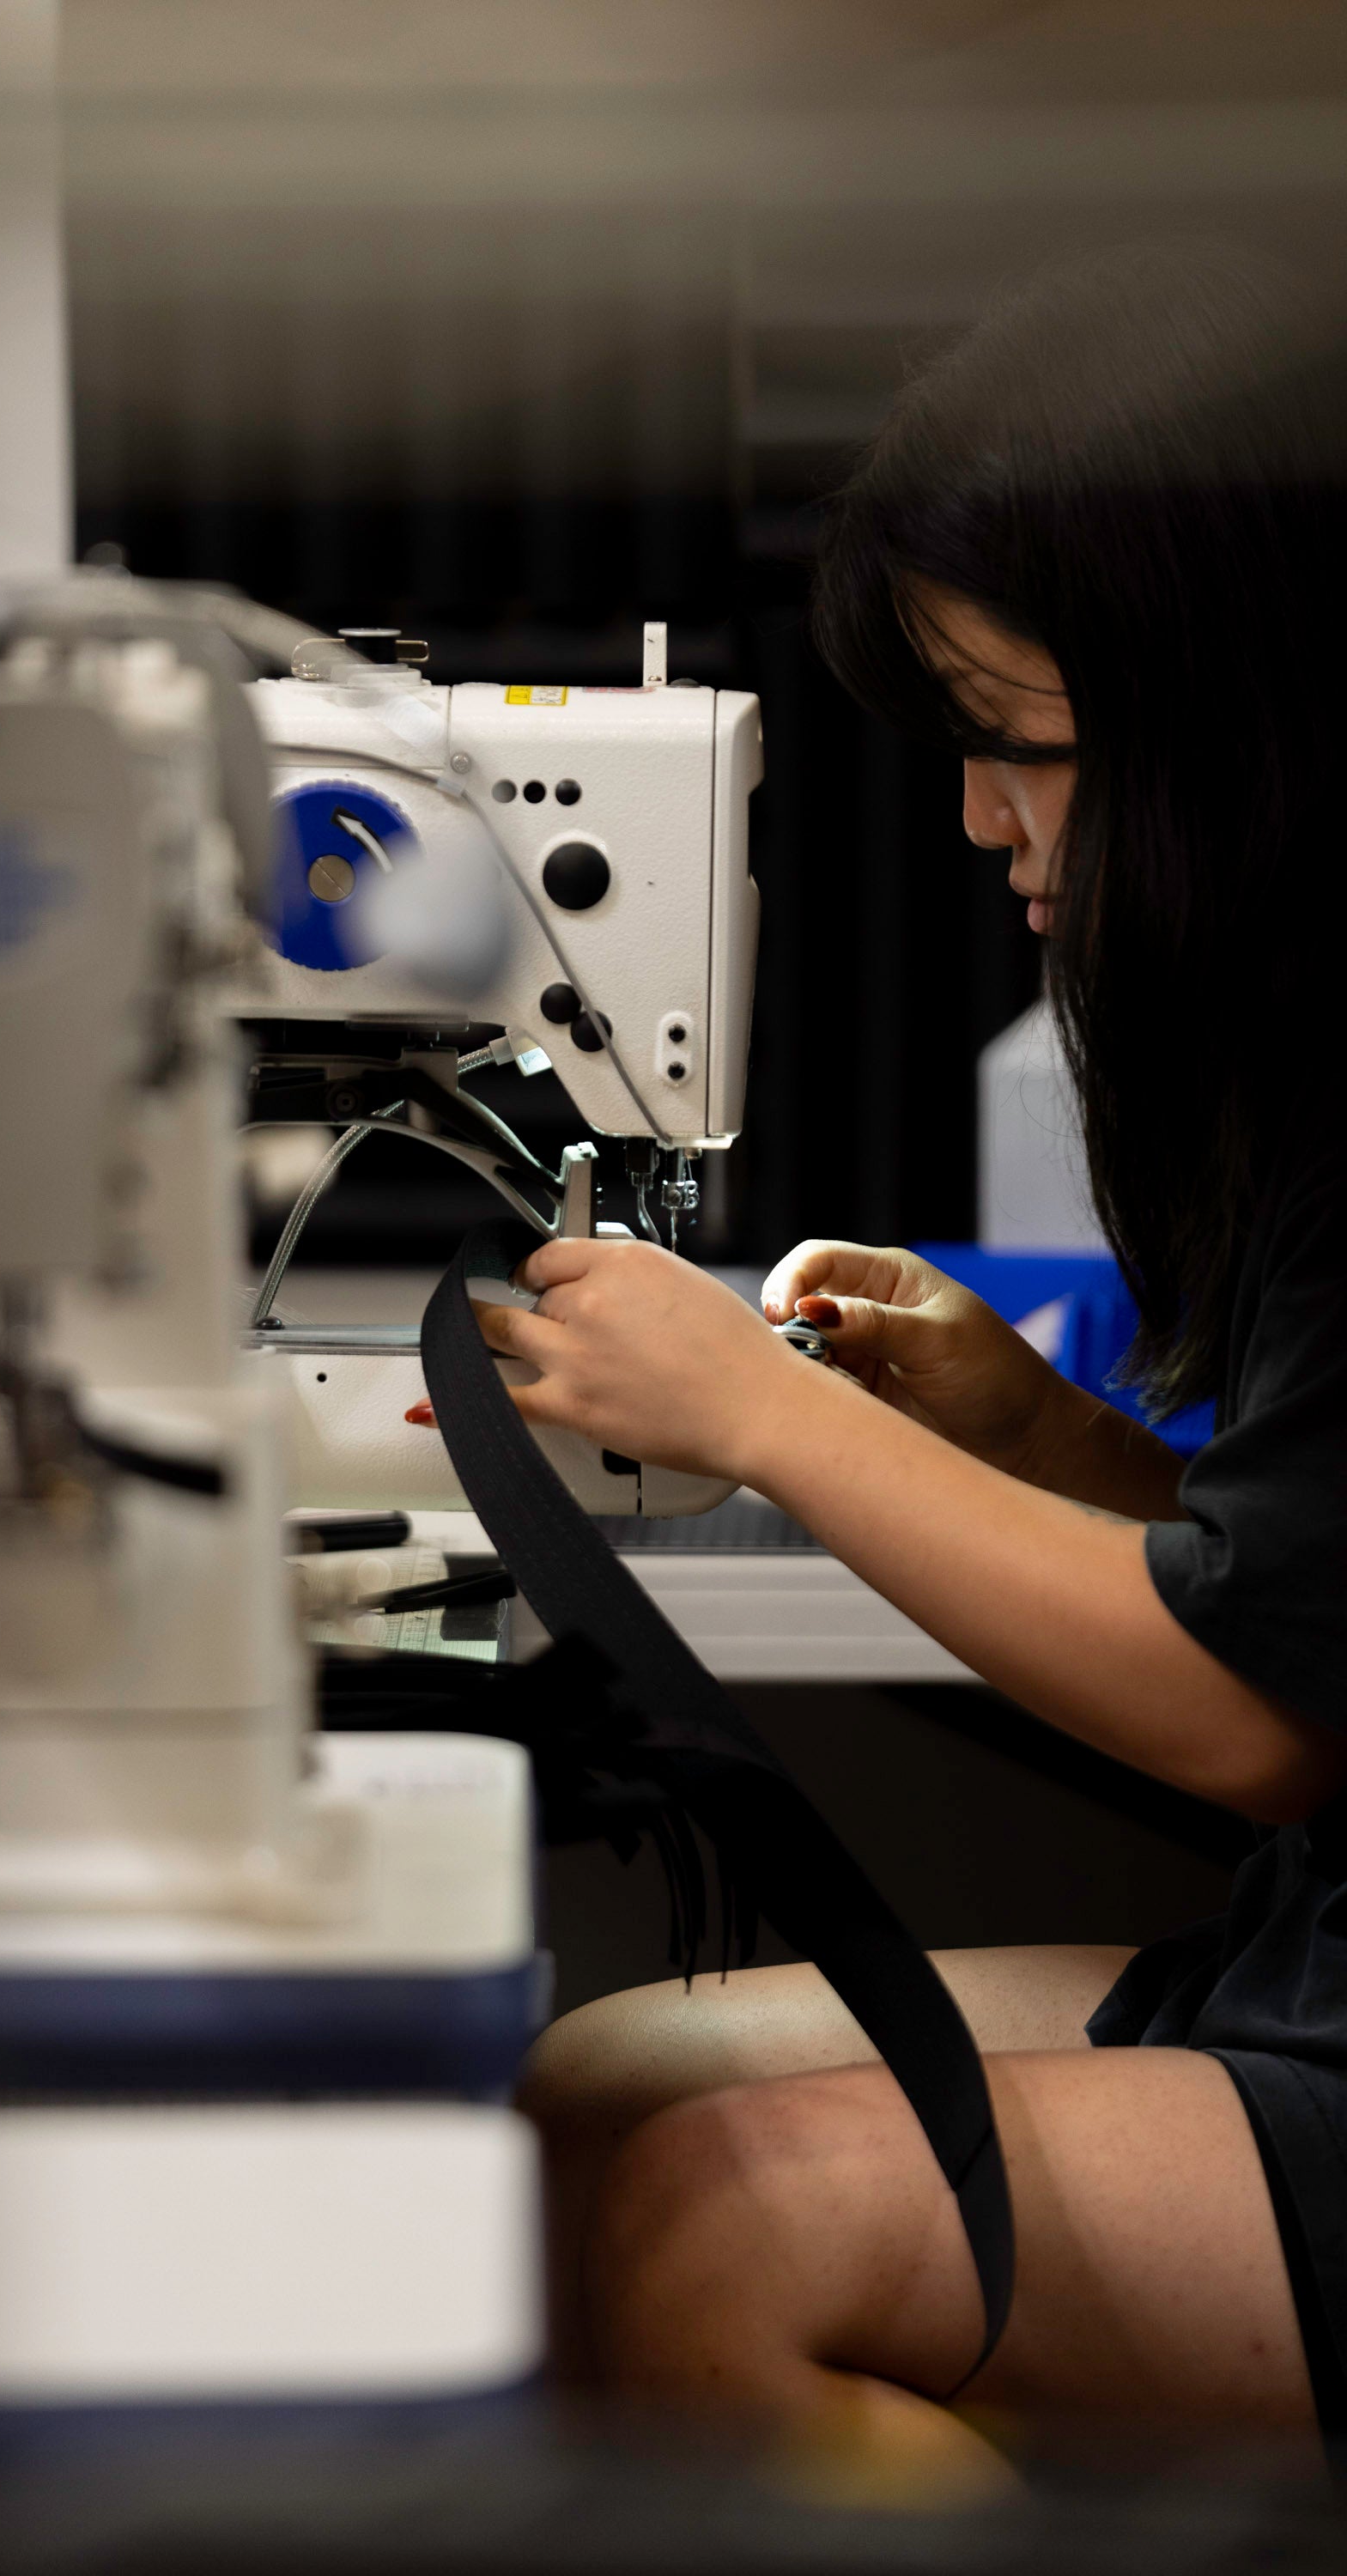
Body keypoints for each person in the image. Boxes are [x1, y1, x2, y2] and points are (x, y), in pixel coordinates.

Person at [467, 251, 1347, 2478]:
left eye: (1015, 744)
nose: (976, 819)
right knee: (577, 2113)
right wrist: (1035, 1435)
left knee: (713, 2234)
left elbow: (1256, 1718)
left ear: (1231, 699)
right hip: (1313, 1956)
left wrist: (753, 1414)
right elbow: (1313, 1613)